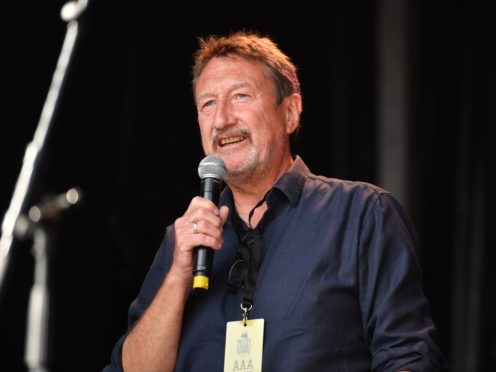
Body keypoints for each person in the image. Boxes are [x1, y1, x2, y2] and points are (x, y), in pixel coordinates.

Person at [103, 31, 447, 371]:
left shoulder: (362, 215)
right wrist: (179, 274)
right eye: (208, 103)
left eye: (241, 96)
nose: (222, 119)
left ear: (291, 112)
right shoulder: (181, 241)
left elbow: (408, 357)